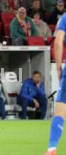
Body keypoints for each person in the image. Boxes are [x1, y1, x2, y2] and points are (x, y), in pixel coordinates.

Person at [45, 13, 66, 155]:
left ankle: (52, 148)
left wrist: (58, 67)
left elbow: (58, 43)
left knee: (60, 112)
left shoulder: (64, 18)